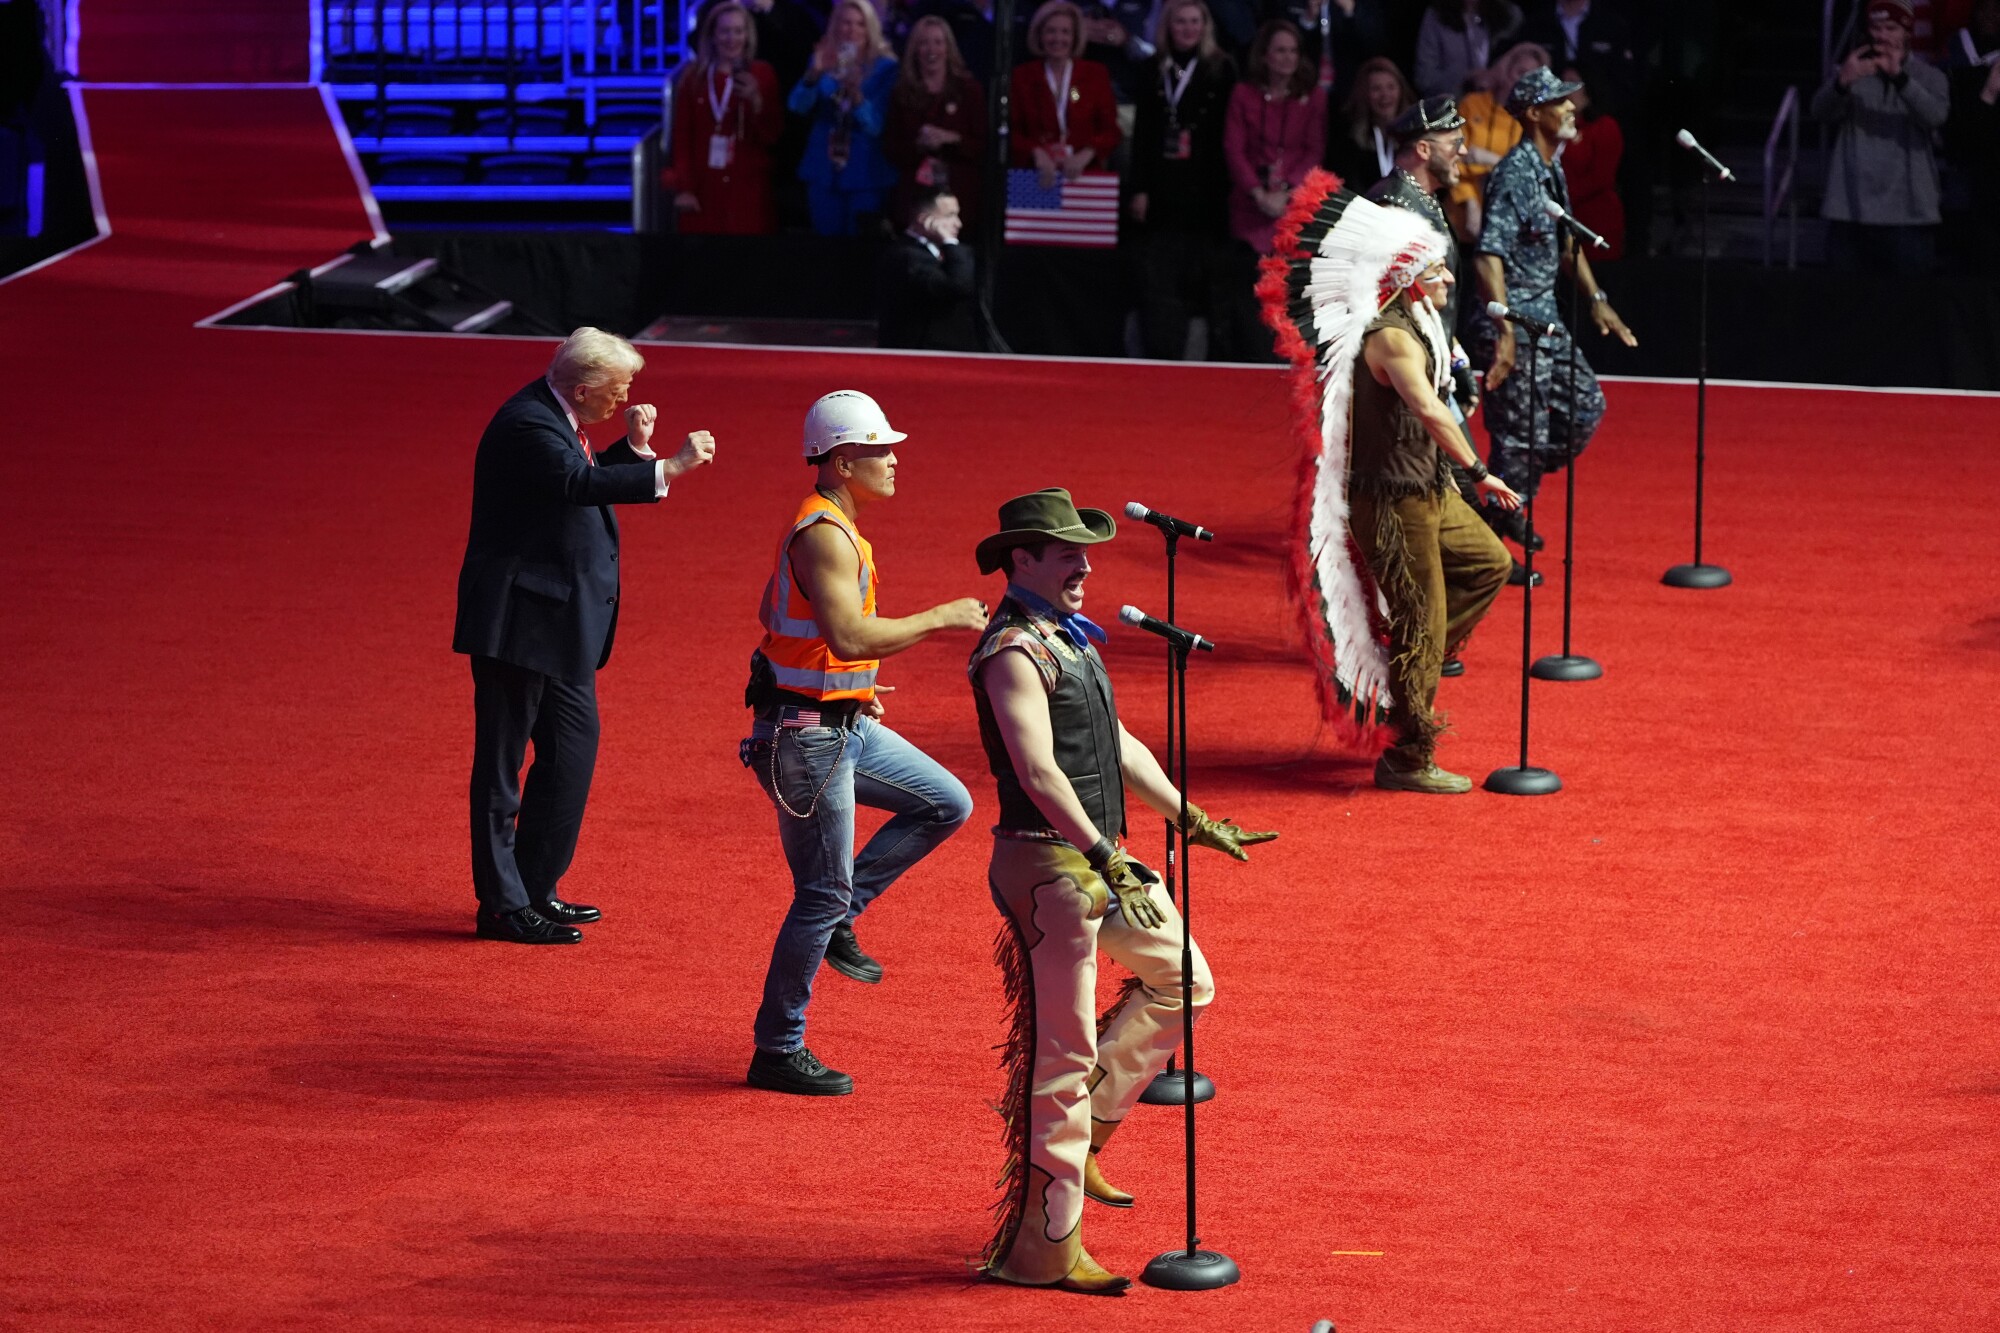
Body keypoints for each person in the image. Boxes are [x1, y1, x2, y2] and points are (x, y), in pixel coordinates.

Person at [969, 488, 1276, 1292]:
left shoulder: (1067, 639)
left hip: (1105, 866)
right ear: (1021, 560)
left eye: (1084, 549)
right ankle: (1044, 1250)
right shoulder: (1012, 651)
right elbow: (1036, 771)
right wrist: (1108, 855)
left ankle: (1090, 1131)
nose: (1085, 563)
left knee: (1187, 978)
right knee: (1061, 1055)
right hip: (1052, 868)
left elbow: (1117, 743)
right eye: (1067, 551)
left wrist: (1193, 815)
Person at [742, 391, 986, 1096]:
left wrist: (848, 685)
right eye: (882, 449)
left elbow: (776, 615)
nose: (894, 459)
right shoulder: (823, 533)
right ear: (845, 461)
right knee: (819, 891)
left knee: (946, 802)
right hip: (809, 742)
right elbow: (848, 635)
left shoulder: (833, 528)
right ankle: (777, 1047)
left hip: (839, 723)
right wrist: (941, 616)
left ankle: (847, 913)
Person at [454, 330, 717, 944]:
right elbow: (576, 486)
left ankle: (533, 888)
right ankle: (501, 905)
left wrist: (634, 449)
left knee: (571, 757)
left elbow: (580, 475)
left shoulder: (557, 418)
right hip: (518, 625)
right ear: (582, 389)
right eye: (620, 389)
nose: (628, 397)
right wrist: (668, 466)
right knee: (502, 768)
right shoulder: (527, 424)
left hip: (562, 625)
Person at [1465, 67, 1634, 555]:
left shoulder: (1550, 168)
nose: (1572, 106)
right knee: (1520, 434)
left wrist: (1598, 301)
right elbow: (1488, 255)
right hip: (1514, 319)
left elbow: (1567, 245)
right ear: (1534, 113)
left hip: (1548, 320)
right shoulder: (1515, 174)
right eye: (1560, 101)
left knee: (1584, 410)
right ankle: (1493, 550)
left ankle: (1507, 506)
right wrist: (1506, 333)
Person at [1127, 0, 1240, 359]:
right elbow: (1143, 133)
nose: (1188, 28)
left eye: (1195, 21)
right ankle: (1163, 348)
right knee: (1161, 270)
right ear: (1168, 26)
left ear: (1205, 25)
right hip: (1162, 184)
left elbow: (1227, 133)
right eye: (1180, 22)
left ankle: (1206, 352)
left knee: (1204, 270)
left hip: (1207, 186)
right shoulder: (1151, 68)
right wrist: (1139, 187)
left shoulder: (1221, 69)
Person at [1812, 0, 1950, 276]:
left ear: (1907, 31)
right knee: (1844, 308)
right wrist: (1841, 83)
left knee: (1908, 310)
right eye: (1876, 27)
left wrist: (1900, 78)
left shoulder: (1930, 76)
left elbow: (1935, 116)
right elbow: (1819, 112)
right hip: (1850, 211)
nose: (1882, 35)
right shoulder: (1853, 71)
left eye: (1890, 28)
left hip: (1907, 214)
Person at [666, 2, 785, 234]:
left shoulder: (762, 74)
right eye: (725, 31)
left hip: (748, 186)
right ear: (712, 36)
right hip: (704, 186)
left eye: (738, 31)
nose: (732, 39)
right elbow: (682, 138)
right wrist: (684, 188)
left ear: (747, 36)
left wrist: (756, 101)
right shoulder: (693, 79)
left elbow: (772, 135)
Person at [789, 0, 901, 236]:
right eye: (845, 23)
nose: (851, 30)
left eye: (859, 24)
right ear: (835, 26)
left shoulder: (886, 68)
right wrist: (814, 74)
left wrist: (858, 98)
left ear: (870, 29)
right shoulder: (823, 60)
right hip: (823, 169)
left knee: (860, 251)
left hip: (866, 172)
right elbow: (798, 107)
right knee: (826, 249)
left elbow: (877, 125)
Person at [1224, 18, 1326, 254]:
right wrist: (1259, 194)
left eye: (1293, 51)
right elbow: (1234, 149)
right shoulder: (1243, 95)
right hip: (1250, 202)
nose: (1288, 57)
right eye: (1280, 50)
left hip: (1294, 201)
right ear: (1264, 55)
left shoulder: (1314, 97)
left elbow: (1314, 151)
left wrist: (1286, 192)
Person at [883, 14, 987, 227]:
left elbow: (983, 145)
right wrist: (918, 145)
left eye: (938, 42)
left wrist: (952, 139)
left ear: (948, 48)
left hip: (958, 196)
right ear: (915, 50)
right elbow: (890, 147)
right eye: (924, 43)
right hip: (914, 197)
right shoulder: (902, 93)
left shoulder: (969, 91)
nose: (932, 50)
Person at [1445, 40, 1547, 244]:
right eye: (1520, 71)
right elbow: (1452, 158)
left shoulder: (1534, 119)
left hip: (1508, 224)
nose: (1524, 81)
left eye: (1532, 76)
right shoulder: (1472, 104)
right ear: (1505, 68)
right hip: (1461, 217)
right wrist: (1471, 201)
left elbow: (1530, 174)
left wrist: (1488, 158)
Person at [1010, 0, 1122, 185]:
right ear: (1039, 35)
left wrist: (1086, 154)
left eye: (1065, 32)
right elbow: (1013, 132)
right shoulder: (1022, 77)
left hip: (1083, 177)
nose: (1058, 39)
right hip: (1037, 177)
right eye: (1050, 31)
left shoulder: (1095, 74)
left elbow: (1111, 131)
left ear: (1075, 36)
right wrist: (1036, 152)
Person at [876, 184, 979, 350]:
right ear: (924, 219)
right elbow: (958, 285)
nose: (958, 223)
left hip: (953, 353)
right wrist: (949, 241)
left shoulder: (954, 251)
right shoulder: (905, 256)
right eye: (950, 216)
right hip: (919, 356)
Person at [1559, 62, 1623, 260]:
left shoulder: (1604, 127)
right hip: (1562, 221)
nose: (1566, 90)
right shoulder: (1556, 128)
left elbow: (1601, 178)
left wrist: (1559, 196)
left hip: (1596, 219)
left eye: (1573, 83)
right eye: (1563, 83)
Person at [1325, 54, 1413, 191]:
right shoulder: (1349, 140)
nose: (1385, 95)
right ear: (1364, 95)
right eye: (1376, 89)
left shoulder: (1415, 136)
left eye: (1391, 87)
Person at [1414, 0, 1523, 99]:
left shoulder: (1508, 16)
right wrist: (1466, 79)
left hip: (1494, 108)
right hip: (1450, 107)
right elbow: (1424, 79)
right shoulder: (1435, 16)